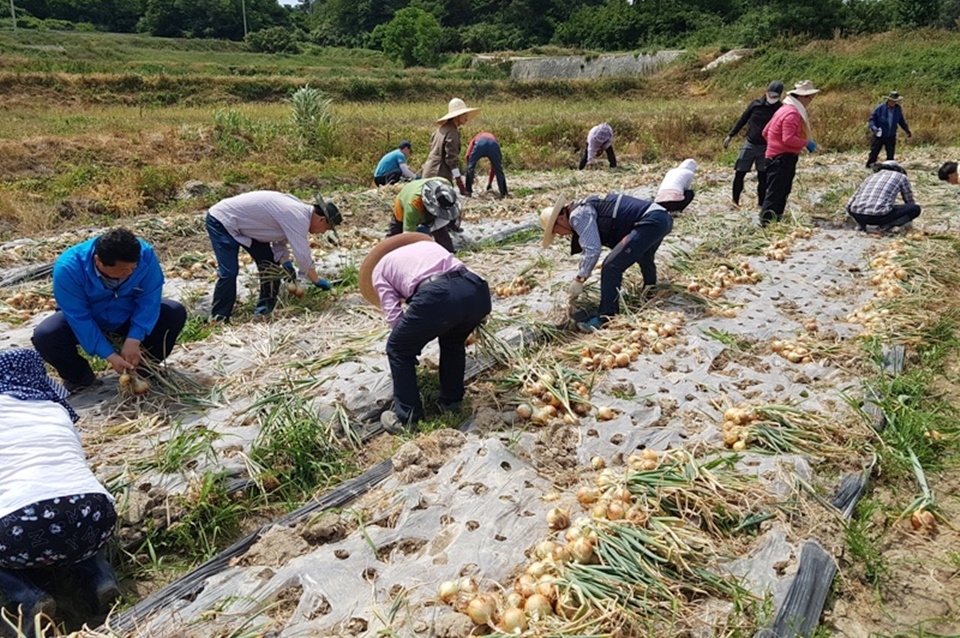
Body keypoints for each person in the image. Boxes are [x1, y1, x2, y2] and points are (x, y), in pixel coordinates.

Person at [0, 349, 120, 634]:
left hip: (21, 528)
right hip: (96, 515)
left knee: (27, 521)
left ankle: (26, 597)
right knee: (70, 504)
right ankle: (99, 576)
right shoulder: (54, 408)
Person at [31, 228, 186, 393]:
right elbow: (79, 317)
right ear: (98, 261)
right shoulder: (69, 268)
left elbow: (149, 299)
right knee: (46, 334)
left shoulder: (145, 255)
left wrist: (134, 338)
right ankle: (80, 378)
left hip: (126, 313)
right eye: (122, 270)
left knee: (173, 312)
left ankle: (142, 369)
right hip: (90, 317)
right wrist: (109, 355)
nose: (129, 273)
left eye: (133, 268)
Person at [372, 239, 491, 432]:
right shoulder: (427, 246)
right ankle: (452, 401)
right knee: (453, 341)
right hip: (476, 290)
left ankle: (407, 418)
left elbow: (394, 317)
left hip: (439, 295)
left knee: (397, 348)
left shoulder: (379, 269)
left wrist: (410, 346)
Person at [540, 193, 673, 331]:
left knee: (611, 266)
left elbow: (592, 249)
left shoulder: (577, 215)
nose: (561, 235)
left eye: (556, 231)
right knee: (643, 255)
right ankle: (650, 290)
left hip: (651, 221)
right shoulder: (582, 207)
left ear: (560, 219)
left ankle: (606, 317)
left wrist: (580, 279)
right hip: (662, 218)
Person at [205, 190, 342, 321]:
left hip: (248, 227)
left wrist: (285, 262)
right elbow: (303, 255)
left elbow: (279, 240)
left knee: (270, 266)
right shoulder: (298, 217)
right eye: (327, 228)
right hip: (222, 221)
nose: (323, 233)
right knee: (229, 271)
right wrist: (316, 280)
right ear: (321, 220)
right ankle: (219, 317)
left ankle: (263, 311)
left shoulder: (298, 213)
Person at [759, 80, 821, 226]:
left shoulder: (782, 110)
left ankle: (774, 221)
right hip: (782, 159)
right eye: (809, 98)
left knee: (778, 191)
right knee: (776, 193)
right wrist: (806, 143)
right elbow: (788, 138)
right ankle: (767, 223)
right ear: (801, 97)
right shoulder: (792, 114)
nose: (810, 101)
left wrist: (774, 145)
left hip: (773, 157)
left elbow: (765, 132)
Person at [723, 80, 784, 208]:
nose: (772, 98)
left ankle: (760, 204)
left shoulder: (779, 108)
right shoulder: (755, 105)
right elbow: (743, 119)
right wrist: (731, 135)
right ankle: (735, 202)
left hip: (766, 147)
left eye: (776, 96)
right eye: (771, 95)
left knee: (763, 176)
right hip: (750, 144)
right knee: (740, 173)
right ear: (766, 92)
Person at [422, 98, 480, 197]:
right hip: (438, 174)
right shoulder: (452, 132)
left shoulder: (441, 130)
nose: (466, 117)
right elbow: (451, 159)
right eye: (464, 114)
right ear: (456, 116)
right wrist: (459, 182)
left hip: (429, 171)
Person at [387, 178, 461, 253]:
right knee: (395, 235)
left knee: (443, 238)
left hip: (422, 191)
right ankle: (385, 253)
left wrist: (432, 228)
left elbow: (443, 221)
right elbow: (408, 236)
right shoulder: (413, 205)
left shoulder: (445, 184)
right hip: (405, 197)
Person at [846, 160, 921, 232]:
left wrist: (854, 216)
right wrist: (908, 219)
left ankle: (861, 226)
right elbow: (908, 199)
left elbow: (851, 202)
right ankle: (886, 226)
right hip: (879, 216)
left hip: (857, 214)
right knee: (915, 209)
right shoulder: (901, 176)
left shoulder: (871, 177)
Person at [867, 91, 911, 168]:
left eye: (895, 101)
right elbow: (872, 120)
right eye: (892, 101)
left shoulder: (898, 109)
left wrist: (907, 130)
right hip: (879, 135)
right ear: (888, 100)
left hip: (891, 135)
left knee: (890, 155)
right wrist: (874, 128)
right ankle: (869, 167)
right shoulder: (880, 108)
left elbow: (901, 120)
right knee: (874, 152)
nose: (893, 103)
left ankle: (889, 169)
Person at [465, 132, 507, 198]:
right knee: (498, 169)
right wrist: (490, 183)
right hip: (493, 144)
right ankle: (504, 193)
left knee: (470, 167)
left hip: (480, 144)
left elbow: (467, 156)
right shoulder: (493, 139)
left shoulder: (475, 139)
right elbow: (494, 168)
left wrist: (471, 172)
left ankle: (468, 192)